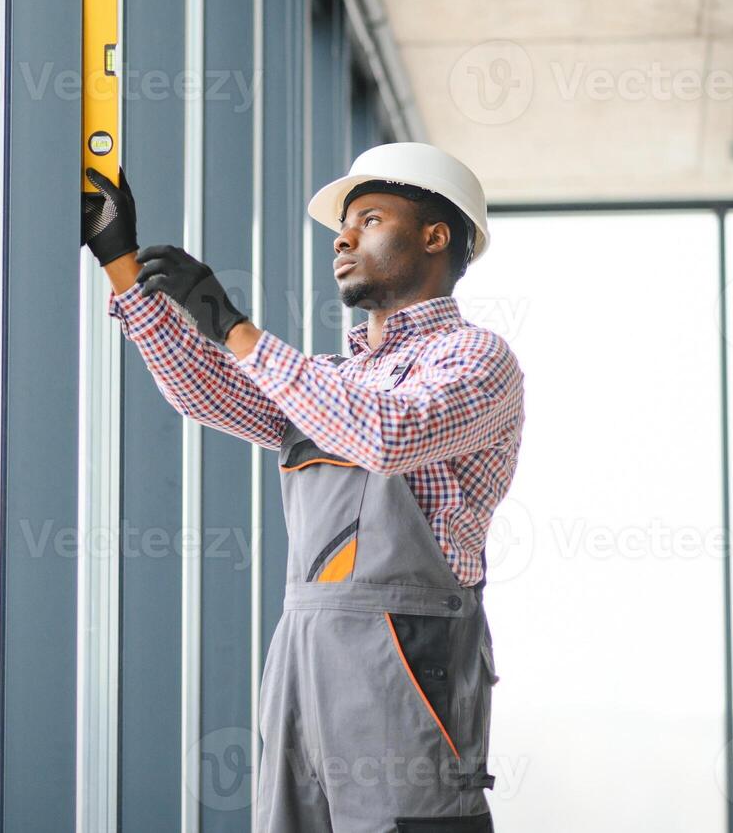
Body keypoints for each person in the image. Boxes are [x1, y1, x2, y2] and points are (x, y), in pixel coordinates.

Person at [81, 142, 525, 833]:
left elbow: (385, 435)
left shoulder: (475, 359)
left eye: (369, 219)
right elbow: (212, 394)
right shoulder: (329, 376)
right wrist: (121, 266)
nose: (342, 239)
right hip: (303, 647)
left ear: (435, 236)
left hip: (407, 653)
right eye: (342, 227)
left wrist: (233, 326)